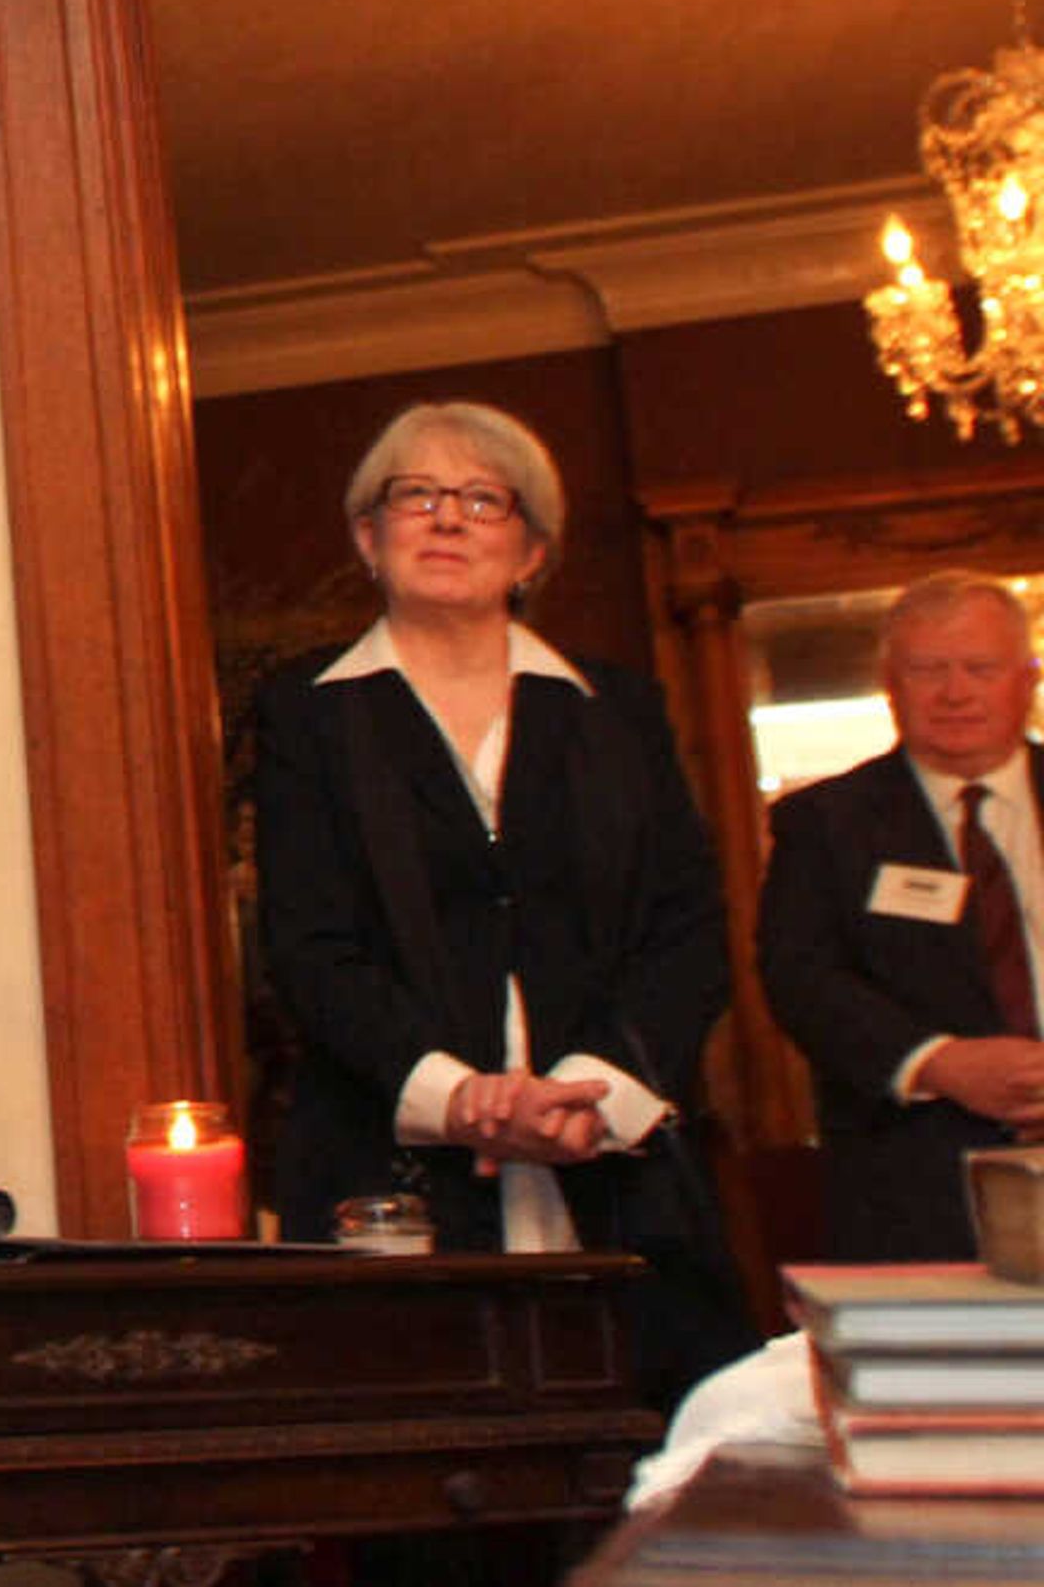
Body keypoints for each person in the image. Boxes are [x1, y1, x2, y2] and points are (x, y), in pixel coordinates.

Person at [246, 400, 747, 1411]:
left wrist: (592, 1089)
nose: (447, 517)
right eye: (415, 494)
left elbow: (687, 928)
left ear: (531, 551)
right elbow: (308, 943)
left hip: (616, 1173)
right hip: (388, 1182)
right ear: (368, 536)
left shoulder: (618, 706)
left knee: (644, 1475)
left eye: (483, 499)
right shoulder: (304, 709)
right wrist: (455, 1092)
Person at [757, 569, 1044, 1260]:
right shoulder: (825, 823)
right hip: (918, 1187)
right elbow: (801, 976)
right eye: (928, 669)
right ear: (891, 682)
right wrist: (939, 1062)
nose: (956, 691)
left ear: (1029, 675)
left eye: (980, 667)